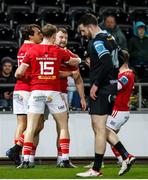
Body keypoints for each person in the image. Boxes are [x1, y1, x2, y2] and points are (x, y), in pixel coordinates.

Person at [15, 24, 81, 168]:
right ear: (52, 36)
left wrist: (33, 76)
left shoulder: (32, 50)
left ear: (43, 34)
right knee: (63, 126)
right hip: (54, 91)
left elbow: (18, 73)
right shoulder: (57, 50)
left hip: (36, 91)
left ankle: (26, 160)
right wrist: (81, 60)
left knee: (31, 127)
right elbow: (73, 61)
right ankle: (64, 159)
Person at [76, 13, 125, 177]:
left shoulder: (97, 41)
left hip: (102, 89)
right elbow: (120, 57)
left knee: (99, 129)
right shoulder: (110, 37)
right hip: (110, 86)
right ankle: (126, 156)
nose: (83, 35)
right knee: (100, 128)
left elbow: (107, 63)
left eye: (83, 31)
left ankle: (96, 169)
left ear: (89, 26)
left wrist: (96, 84)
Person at [84, 51, 136, 176]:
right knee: (108, 136)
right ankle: (122, 159)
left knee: (101, 131)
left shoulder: (126, 75)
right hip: (119, 110)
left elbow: (115, 87)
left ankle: (125, 156)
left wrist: (98, 85)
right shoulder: (124, 73)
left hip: (119, 110)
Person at [6, 24, 43, 166]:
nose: (40, 35)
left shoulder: (22, 48)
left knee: (21, 124)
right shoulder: (34, 48)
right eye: (38, 33)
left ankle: (17, 157)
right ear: (30, 36)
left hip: (18, 89)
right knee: (37, 124)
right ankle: (16, 150)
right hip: (29, 89)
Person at [55, 27, 86, 167]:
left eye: (65, 38)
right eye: (61, 37)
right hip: (42, 91)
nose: (63, 40)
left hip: (62, 93)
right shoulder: (47, 51)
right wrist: (66, 74)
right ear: (54, 37)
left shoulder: (70, 55)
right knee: (35, 126)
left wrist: (82, 98)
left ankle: (62, 158)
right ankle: (26, 158)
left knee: (61, 127)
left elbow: (78, 79)